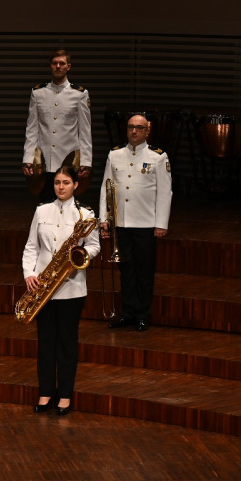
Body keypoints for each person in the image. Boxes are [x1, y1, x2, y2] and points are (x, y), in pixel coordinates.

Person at [22, 165, 101, 416]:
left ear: (75, 185)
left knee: (67, 343)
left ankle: (65, 395)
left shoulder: (86, 214)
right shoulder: (42, 210)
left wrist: (79, 254)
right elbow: (31, 247)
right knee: (46, 342)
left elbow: (95, 246)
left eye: (66, 182)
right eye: (57, 182)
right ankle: (46, 392)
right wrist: (29, 273)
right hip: (43, 286)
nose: (61, 187)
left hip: (72, 288)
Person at [99, 114, 172, 332]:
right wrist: (105, 219)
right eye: (131, 127)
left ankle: (142, 314)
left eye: (139, 128)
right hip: (121, 222)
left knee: (144, 271)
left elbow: (165, 192)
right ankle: (128, 312)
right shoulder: (115, 155)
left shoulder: (158, 156)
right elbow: (106, 188)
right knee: (126, 271)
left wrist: (161, 223)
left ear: (147, 131)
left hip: (145, 223)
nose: (134, 131)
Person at [22, 49, 92, 204]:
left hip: (69, 159)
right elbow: (31, 128)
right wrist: (27, 158)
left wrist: (86, 162)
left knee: (68, 204)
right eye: (55, 63)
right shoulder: (38, 93)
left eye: (62, 63)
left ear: (68, 66)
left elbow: (85, 131)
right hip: (44, 161)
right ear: (50, 66)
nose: (58, 66)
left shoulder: (79, 94)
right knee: (45, 204)